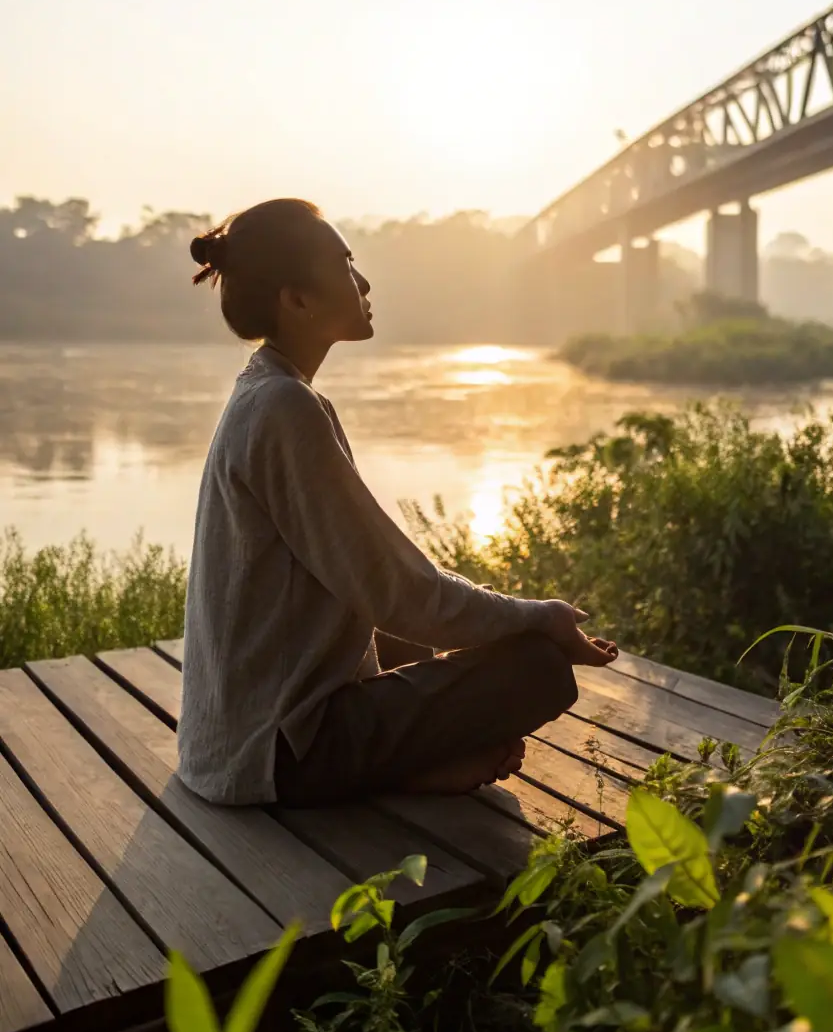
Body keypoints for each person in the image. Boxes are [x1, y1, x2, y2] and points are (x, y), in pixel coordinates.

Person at [177, 198, 617, 808]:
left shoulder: (267, 393)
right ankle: (402, 771)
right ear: (297, 298)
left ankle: (413, 768)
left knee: (427, 640)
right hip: (273, 752)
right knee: (538, 667)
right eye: (345, 264)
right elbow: (399, 591)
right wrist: (536, 617)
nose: (363, 281)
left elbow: (379, 587)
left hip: (235, 741)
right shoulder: (285, 408)